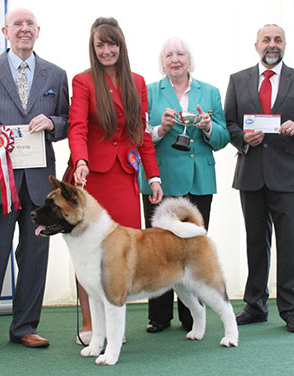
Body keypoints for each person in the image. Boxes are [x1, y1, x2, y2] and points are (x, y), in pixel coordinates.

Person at [67, 17, 163, 344]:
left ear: (121, 46)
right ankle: (90, 323)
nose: (107, 50)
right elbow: (77, 126)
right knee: (88, 252)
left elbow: (142, 135)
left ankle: (114, 328)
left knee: (122, 254)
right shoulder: (82, 82)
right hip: (90, 177)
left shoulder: (137, 82)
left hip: (124, 176)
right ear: (93, 49)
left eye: (112, 44)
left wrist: (153, 176)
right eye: (100, 45)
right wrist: (80, 159)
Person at [139, 36, 230, 333]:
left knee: (191, 248)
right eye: (169, 55)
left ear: (190, 60)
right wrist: (161, 129)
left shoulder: (211, 92)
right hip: (161, 180)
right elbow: (140, 135)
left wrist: (207, 127)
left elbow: (223, 138)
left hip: (199, 180)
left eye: (180, 54)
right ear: (162, 62)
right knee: (157, 248)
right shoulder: (149, 92)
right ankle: (159, 317)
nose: (175, 59)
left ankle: (193, 317)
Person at [0, 8, 69, 348]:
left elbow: (67, 120)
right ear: (5, 30)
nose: (23, 29)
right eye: (17, 24)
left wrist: (54, 123)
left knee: (36, 254)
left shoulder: (55, 74)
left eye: (29, 25)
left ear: (38, 31)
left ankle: (25, 326)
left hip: (40, 183)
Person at [224, 24, 294, 332]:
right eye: (267, 39)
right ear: (256, 45)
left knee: (290, 245)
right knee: (256, 243)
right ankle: (255, 305)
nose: (272, 44)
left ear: (285, 45)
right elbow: (228, 122)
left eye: (278, 39)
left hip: (288, 176)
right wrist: (242, 139)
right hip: (251, 174)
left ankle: (290, 309)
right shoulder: (238, 81)